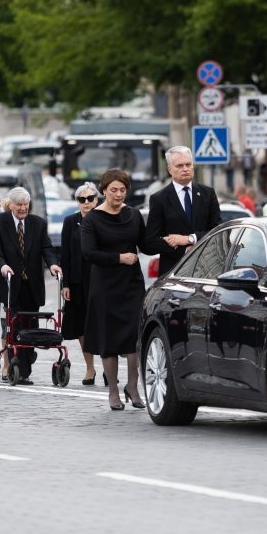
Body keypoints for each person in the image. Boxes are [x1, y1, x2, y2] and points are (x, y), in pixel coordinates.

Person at [82, 168, 153, 410]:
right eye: (113, 190)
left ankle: (133, 387)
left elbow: (146, 244)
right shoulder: (92, 218)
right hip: (105, 286)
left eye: (122, 190)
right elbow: (89, 253)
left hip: (132, 284)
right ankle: (113, 390)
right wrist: (118, 258)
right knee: (109, 339)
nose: (118, 195)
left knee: (134, 337)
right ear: (103, 191)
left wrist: (178, 241)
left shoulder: (133, 215)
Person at [0, 187, 61, 384]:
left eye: (25, 204)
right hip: (11, 284)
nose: (22, 208)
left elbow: (47, 247)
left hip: (32, 286)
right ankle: (18, 369)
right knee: (14, 327)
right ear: (10, 205)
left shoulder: (38, 223)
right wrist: (2, 266)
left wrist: (53, 263)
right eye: (19, 204)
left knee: (31, 326)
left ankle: (26, 361)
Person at [145, 146, 221, 276]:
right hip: (173, 271)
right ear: (170, 170)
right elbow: (150, 242)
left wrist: (190, 239)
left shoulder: (207, 194)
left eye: (188, 164)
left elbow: (217, 230)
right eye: (179, 166)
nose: (185, 169)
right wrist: (184, 250)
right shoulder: (159, 199)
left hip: (206, 271)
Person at [60, 182, 100, 384]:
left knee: (102, 323)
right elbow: (64, 254)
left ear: (97, 199)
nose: (86, 203)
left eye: (90, 198)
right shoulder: (70, 221)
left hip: (100, 279)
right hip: (76, 280)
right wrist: (65, 284)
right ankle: (90, 368)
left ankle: (109, 369)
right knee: (82, 325)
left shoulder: (104, 219)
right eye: (81, 199)